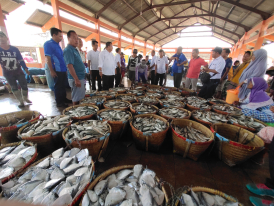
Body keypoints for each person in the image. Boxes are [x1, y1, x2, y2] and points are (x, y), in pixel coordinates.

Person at [0, 32, 31, 107]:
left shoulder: (14, 49)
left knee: (24, 85)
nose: (1, 39)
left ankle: (25, 98)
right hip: (7, 73)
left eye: (2, 37)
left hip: (18, 71)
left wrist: (25, 68)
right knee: (14, 87)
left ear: (7, 38)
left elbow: (20, 60)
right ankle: (20, 101)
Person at [44, 28, 70, 107]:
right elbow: (48, 58)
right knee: (58, 86)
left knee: (63, 85)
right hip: (56, 69)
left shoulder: (57, 44)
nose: (61, 38)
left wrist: (65, 69)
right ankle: (59, 102)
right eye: (59, 36)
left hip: (62, 69)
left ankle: (64, 99)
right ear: (54, 35)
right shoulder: (48, 44)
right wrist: (51, 70)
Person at [63, 30, 86, 105]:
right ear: (68, 38)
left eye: (77, 38)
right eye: (74, 38)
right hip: (76, 78)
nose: (76, 40)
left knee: (80, 97)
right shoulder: (68, 50)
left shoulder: (74, 49)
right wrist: (76, 79)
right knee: (76, 98)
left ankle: (78, 111)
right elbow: (69, 66)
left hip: (80, 77)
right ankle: (75, 113)